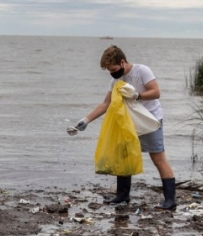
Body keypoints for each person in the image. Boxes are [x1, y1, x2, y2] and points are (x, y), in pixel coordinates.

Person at [72, 45, 176, 209]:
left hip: (150, 120)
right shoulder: (115, 81)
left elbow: (156, 92)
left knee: (158, 158)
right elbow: (106, 103)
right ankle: (122, 196)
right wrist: (85, 121)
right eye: (108, 70)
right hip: (129, 123)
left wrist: (137, 96)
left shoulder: (142, 71)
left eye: (112, 69)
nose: (111, 73)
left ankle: (170, 200)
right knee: (124, 156)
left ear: (122, 62)